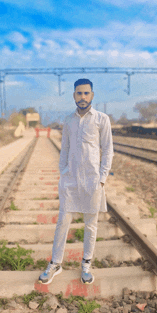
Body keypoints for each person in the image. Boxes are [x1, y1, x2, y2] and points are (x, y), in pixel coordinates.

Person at [38, 78, 114, 285]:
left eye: (86, 93)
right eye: (79, 93)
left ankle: (86, 265)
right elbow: (65, 149)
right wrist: (63, 173)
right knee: (63, 221)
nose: (82, 97)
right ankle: (56, 263)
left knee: (90, 225)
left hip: (92, 180)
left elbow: (108, 150)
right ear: (74, 95)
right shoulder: (69, 120)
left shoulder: (101, 119)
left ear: (92, 95)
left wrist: (102, 179)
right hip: (70, 180)